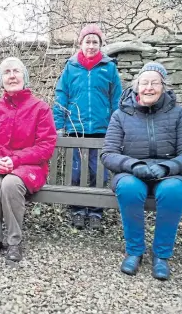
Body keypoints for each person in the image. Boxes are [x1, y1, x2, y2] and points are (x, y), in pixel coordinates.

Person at [100, 62, 182, 280]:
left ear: (163, 86)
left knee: (173, 190)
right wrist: (133, 165)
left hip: (168, 173)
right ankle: (134, 251)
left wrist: (167, 167)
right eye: (144, 83)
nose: (148, 88)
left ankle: (161, 256)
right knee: (128, 188)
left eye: (154, 83)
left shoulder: (177, 114)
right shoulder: (121, 115)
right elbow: (108, 153)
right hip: (132, 171)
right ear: (137, 86)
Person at [0, 57, 56, 262]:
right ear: (0, 80)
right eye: (6, 72)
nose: (12, 76)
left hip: (29, 167)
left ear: (25, 77)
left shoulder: (40, 108)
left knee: (11, 183)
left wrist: (15, 160)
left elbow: (45, 146)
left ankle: (14, 241)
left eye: (16, 71)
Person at [53, 24, 122, 230]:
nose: (91, 46)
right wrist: (58, 124)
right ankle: (77, 210)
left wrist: (117, 125)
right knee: (76, 172)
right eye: (87, 41)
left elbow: (116, 99)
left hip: (102, 130)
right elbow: (61, 95)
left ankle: (95, 212)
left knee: (98, 172)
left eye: (95, 42)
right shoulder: (71, 67)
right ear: (80, 43)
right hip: (76, 128)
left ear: (101, 45)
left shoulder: (109, 68)